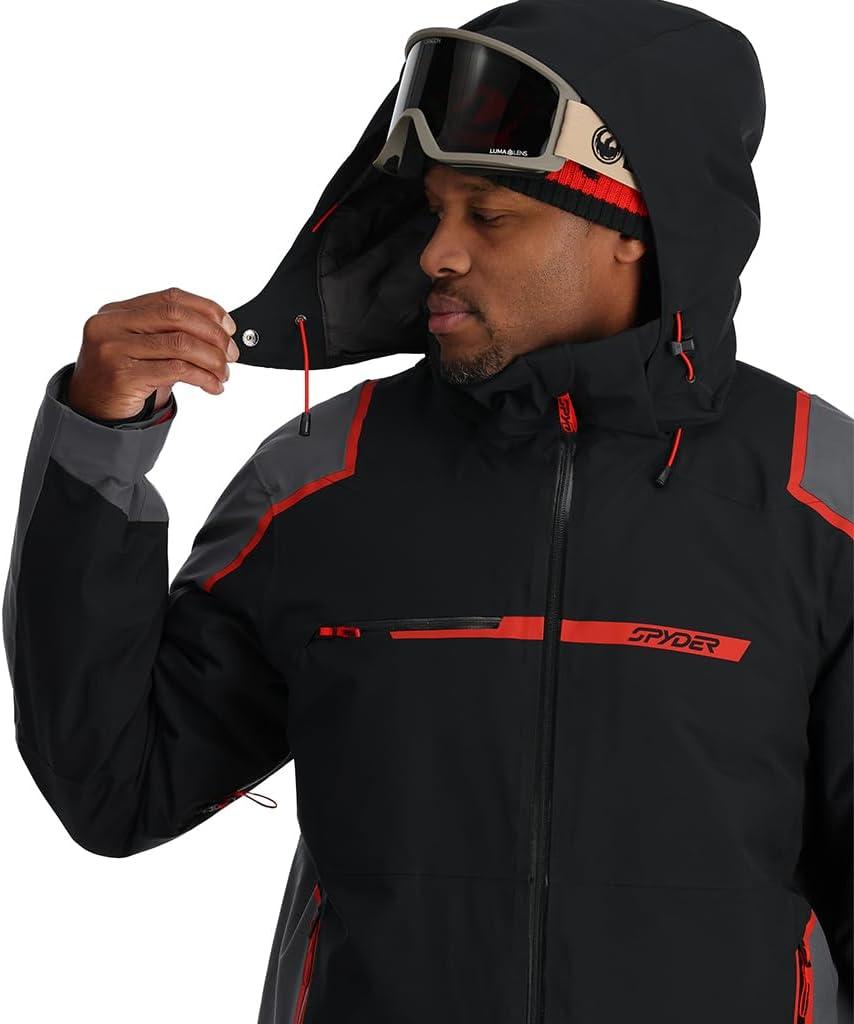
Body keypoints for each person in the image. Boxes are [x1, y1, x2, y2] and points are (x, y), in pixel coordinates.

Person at [3, 1, 852, 1022]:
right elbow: (115, 786)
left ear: (634, 225)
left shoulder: (818, 491)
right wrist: (100, 438)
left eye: (487, 216)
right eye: (435, 211)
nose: (435, 254)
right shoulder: (323, 476)